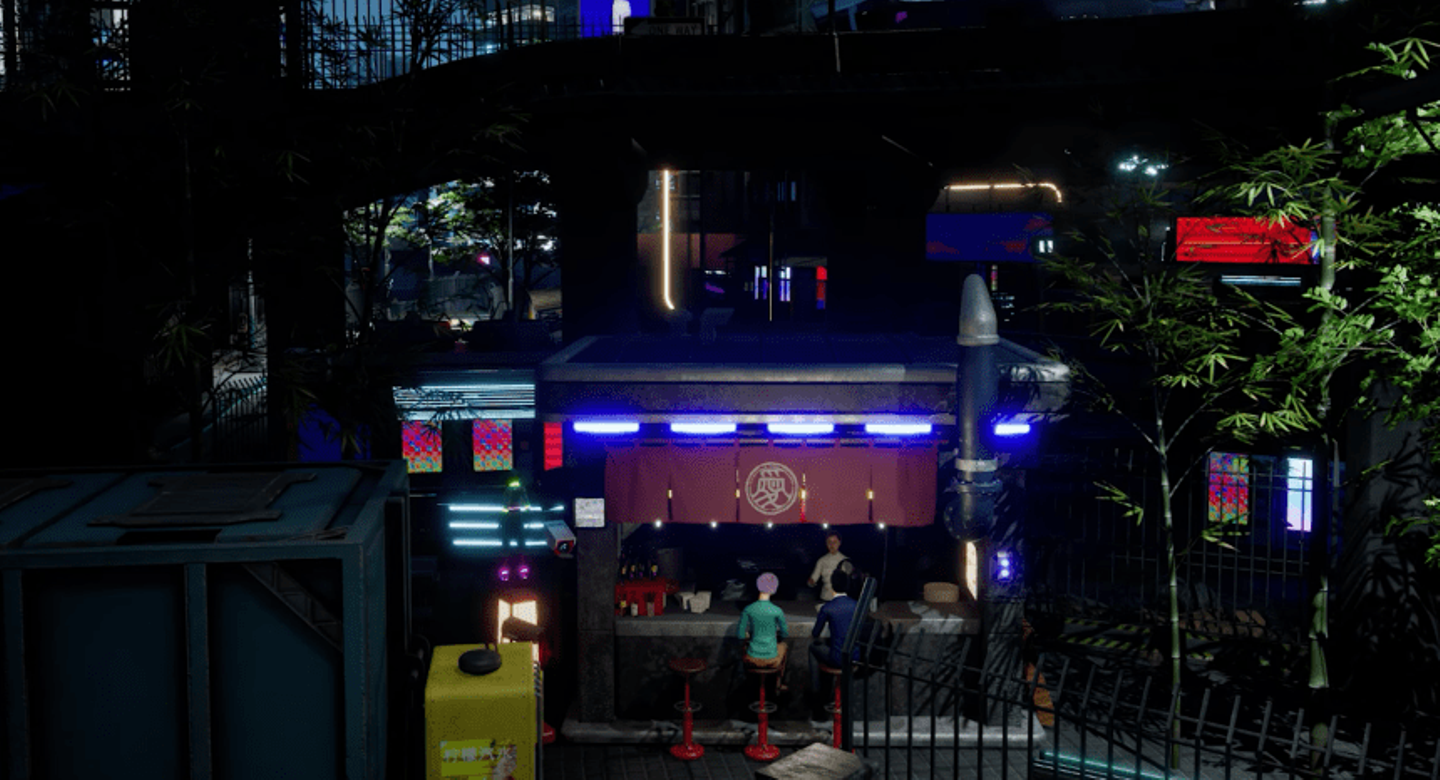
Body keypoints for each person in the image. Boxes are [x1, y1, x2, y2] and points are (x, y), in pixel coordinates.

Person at [809, 567, 861, 713]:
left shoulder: (828, 607)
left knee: (813, 647)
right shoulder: (857, 606)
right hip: (855, 658)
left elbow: (815, 633)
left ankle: (817, 693)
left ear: (831, 586)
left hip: (837, 659)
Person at [738, 572, 789, 691]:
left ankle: (748, 682)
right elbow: (785, 633)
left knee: (744, 649)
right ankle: (778, 682)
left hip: (752, 657)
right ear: (774, 589)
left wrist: (748, 635)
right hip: (771, 657)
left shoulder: (748, 609)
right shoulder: (777, 611)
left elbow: (740, 635)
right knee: (784, 646)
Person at [807, 532, 849, 601]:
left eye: (834, 542)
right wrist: (811, 582)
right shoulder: (821, 561)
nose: (831, 545)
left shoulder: (846, 561)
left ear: (839, 543)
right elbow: (813, 579)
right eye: (829, 542)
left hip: (841, 599)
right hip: (825, 598)